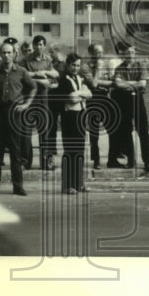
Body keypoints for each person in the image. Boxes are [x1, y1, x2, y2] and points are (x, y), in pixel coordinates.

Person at [0, 41, 36, 195]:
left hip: (14, 115)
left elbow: (33, 87)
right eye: (4, 52)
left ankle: (18, 186)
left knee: (16, 152)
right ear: (0, 54)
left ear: (14, 54)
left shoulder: (21, 71)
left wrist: (26, 104)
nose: (6, 55)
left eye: (9, 52)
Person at [112, 41, 149, 177]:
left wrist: (128, 84)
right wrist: (133, 84)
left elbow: (143, 83)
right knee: (126, 131)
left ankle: (147, 162)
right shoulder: (119, 68)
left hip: (137, 100)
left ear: (135, 53)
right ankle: (131, 160)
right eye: (128, 52)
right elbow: (117, 84)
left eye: (132, 52)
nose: (130, 55)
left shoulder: (141, 65)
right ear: (124, 54)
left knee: (143, 131)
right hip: (124, 101)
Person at [22, 35, 60, 172]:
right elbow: (24, 76)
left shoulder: (48, 60)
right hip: (29, 98)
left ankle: (46, 162)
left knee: (45, 131)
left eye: (41, 44)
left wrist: (43, 73)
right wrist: (40, 78)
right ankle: (25, 162)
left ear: (44, 46)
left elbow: (53, 77)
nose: (39, 47)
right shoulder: (26, 60)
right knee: (26, 132)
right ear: (33, 45)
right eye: (37, 44)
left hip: (43, 99)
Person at [56, 53, 92, 194]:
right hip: (69, 117)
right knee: (70, 151)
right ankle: (67, 185)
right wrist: (81, 94)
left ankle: (79, 183)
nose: (76, 68)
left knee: (80, 151)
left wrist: (80, 95)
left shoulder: (79, 78)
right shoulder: (64, 80)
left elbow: (90, 94)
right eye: (73, 65)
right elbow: (71, 98)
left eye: (78, 65)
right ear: (67, 64)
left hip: (81, 115)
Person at [84, 43, 117, 170]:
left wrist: (100, 83)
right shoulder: (85, 67)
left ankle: (112, 159)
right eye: (97, 52)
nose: (100, 55)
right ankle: (96, 159)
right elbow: (93, 84)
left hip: (105, 98)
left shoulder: (106, 64)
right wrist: (98, 70)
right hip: (92, 99)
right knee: (94, 133)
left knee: (112, 130)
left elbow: (113, 82)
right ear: (91, 53)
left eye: (101, 52)